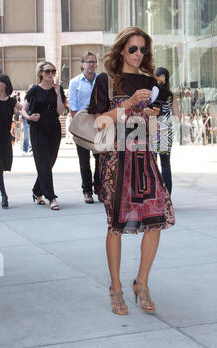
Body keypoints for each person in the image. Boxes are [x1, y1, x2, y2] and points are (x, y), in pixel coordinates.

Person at [88, 27, 175, 315]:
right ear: (122, 50)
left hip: (143, 157)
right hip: (115, 160)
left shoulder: (152, 84)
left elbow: (150, 130)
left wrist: (150, 116)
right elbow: (100, 123)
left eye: (143, 49)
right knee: (116, 225)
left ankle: (142, 281)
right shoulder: (106, 81)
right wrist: (129, 104)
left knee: (156, 217)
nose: (139, 54)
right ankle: (115, 288)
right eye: (134, 48)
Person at [22, 61, 66, 210]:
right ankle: (51, 197)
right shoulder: (34, 90)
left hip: (54, 128)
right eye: (47, 71)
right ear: (41, 73)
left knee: (50, 162)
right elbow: (23, 109)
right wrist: (28, 118)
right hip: (38, 128)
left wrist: (58, 93)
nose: (51, 74)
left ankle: (36, 191)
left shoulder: (58, 89)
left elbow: (61, 112)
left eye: (53, 71)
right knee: (44, 163)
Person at [68, 51, 100, 204]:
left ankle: (99, 187)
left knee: (101, 159)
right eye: (88, 61)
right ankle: (87, 190)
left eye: (93, 61)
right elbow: (72, 108)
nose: (91, 64)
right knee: (84, 160)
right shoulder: (75, 82)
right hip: (82, 125)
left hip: (99, 124)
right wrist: (79, 126)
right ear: (82, 64)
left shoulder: (102, 80)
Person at [152, 67, 181, 195]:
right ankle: (167, 196)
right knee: (165, 164)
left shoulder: (151, 92)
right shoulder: (170, 95)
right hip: (165, 129)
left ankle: (154, 195)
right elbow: (178, 116)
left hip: (152, 127)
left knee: (152, 164)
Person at [0, 74, 22, 208]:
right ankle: (4, 195)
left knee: (2, 166)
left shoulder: (12, 101)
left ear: (5, 84)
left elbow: (23, 109)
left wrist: (28, 115)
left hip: (5, 138)